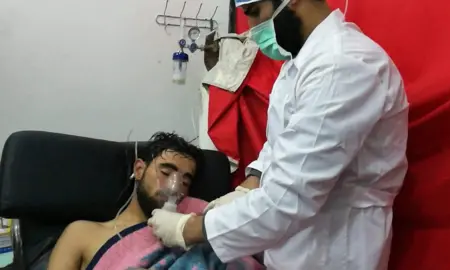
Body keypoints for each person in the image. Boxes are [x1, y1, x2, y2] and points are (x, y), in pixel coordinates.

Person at [147, 0, 409, 269]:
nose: (251, 28)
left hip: (334, 250)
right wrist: (247, 186)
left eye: (254, 13)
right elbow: (281, 145)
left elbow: (289, 198)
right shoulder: (299, 64)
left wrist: (187, 228)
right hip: (291, 245)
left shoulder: (342, 66)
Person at [47, 132, 203, 270]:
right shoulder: (82, 234)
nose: (174, 188)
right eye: (165, 172)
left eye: (185, 182)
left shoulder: (192, 226)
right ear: (139, 170)